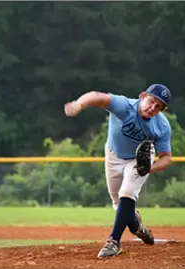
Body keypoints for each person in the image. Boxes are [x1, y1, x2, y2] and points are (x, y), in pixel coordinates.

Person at [64, 84, 172, 258]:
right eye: (152, 101)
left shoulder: (162, 125)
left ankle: (113, 242)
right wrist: (78, 104)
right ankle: (136, 227)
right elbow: (97, 96)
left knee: (127, 193)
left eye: (159, 107)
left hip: (139, 159)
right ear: (143, 96)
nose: (153, 108)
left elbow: (166, 157)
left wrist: (149, 169)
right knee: (118, 203)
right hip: (113, 156)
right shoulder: (124, 106)